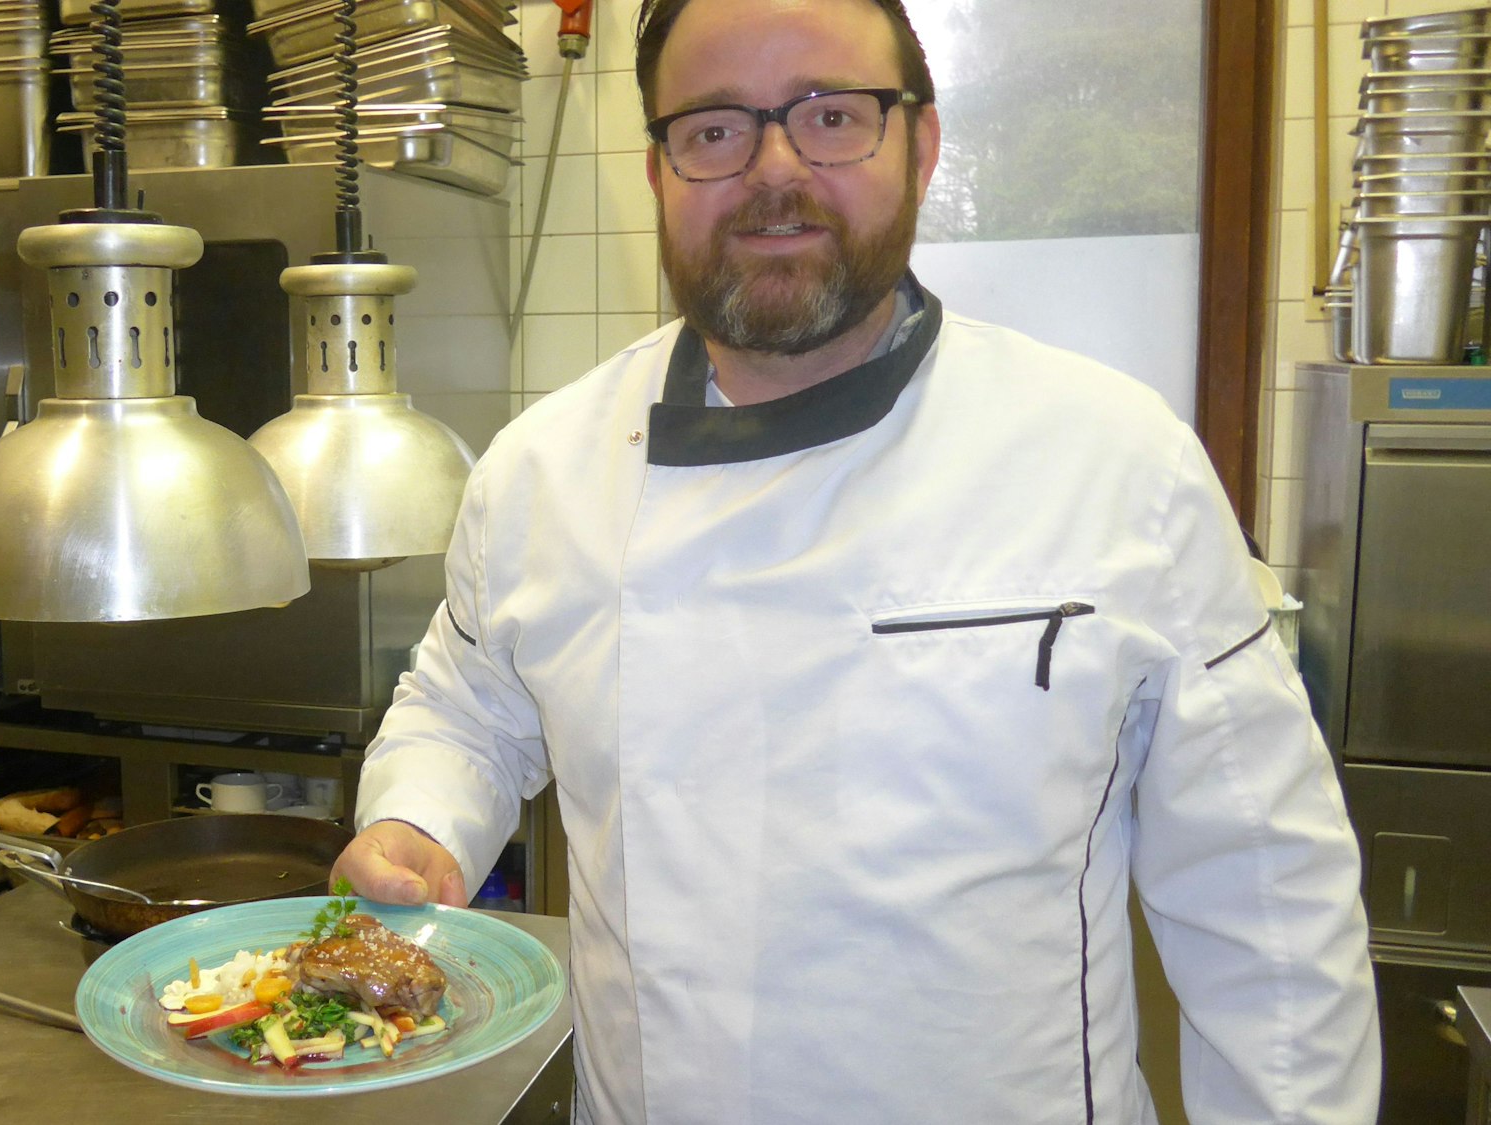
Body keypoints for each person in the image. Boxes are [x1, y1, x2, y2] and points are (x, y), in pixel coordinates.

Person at [330, 0, 1382, 1119]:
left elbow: (1267, 906)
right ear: (658, 174)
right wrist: (419, 821)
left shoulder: (1118, 463)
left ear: (920, 146)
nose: (775, 170)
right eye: (714, 129)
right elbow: (464, 711)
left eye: (832, 116)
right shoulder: (542, 471)